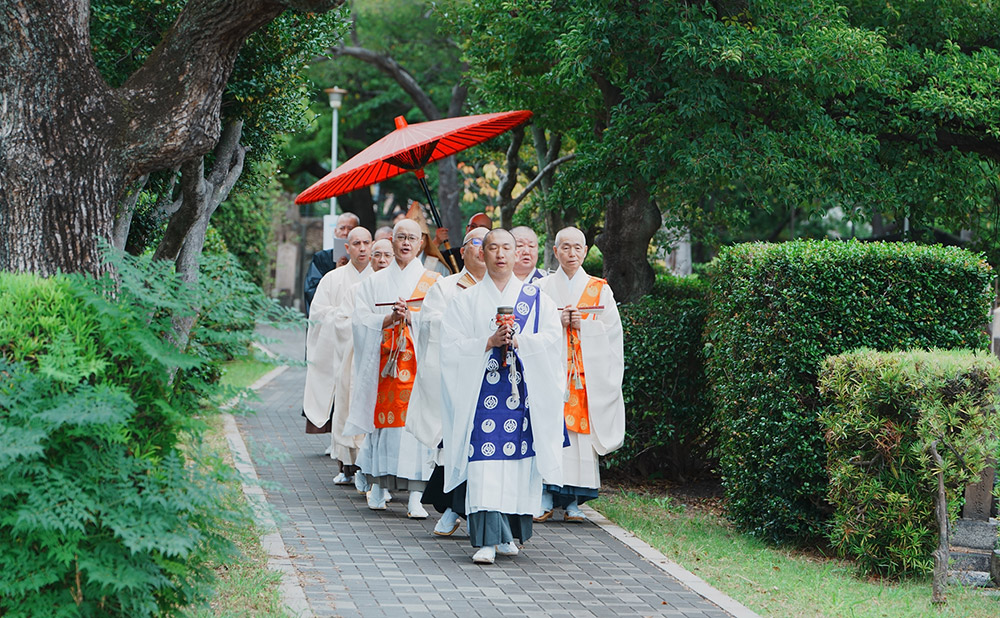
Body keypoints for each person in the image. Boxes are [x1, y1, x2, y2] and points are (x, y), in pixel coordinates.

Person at [439, 228, 564, 564]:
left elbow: (554, 342)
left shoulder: (538, 300)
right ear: (482, 253)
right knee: (484, 466)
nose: (499, 254)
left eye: (506, 247)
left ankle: (510, 533)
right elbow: (449, 348)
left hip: (522, 397)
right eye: (491, 247)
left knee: (518, 465)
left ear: (516, 252)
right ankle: (485, 540)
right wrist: (488, 341)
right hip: (481, 397)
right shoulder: (464, 301)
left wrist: (523, 342)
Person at [345, 219, 440, 517]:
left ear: (421, 243)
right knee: (384, 426)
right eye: (401, 237)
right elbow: (359, 320)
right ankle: (379, 486)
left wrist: (413, 319)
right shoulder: (374, 282)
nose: (406, 243)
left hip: (418, 368)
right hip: (384, 365)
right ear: (392, 240)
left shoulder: (433, 282)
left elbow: (441, 323)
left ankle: (415, 495)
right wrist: (385, 320)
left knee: (415, 427)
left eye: (412, 238)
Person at [535, 227, 625, 522]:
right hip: (552, 373)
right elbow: (532, 328)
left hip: (585, 376)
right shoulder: (542, 287)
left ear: (586, 251)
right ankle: (546, 495)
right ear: (556, 250)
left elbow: (612, 333)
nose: (571, 254)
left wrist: (582, 325)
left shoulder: (600, 288)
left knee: (578, 437)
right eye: (565, 248)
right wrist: (556, 321)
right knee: (550, 430)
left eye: (577, 248)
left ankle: (574, 501)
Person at [405, 226, 489, 537]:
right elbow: (430, 325)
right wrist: (465, 323)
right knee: (456, 445)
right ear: (463, 251)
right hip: (458, 379)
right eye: (476, 245)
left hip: (493, 381)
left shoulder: (506, 289)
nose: (483, 252)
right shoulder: (446, 287)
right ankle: (453, 508)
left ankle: (480, 518)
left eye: (489, 245)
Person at [301, 227, 373, 476]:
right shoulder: (333, 279)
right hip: (344, 352)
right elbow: (318, 314)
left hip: (372, 355)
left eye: (366, 243)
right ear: (347, 247)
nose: (362, 248)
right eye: (356, 243)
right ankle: (345, 465)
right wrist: (347, 319)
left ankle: (369, 467)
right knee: (344, 406)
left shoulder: (379, 278)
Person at [330, 237, 393, 493]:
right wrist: (365, 326)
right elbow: (342, 321)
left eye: (386, 256)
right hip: (360, 358)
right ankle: (355, 467)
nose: (381, 261)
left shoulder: (400, 289)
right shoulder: (357, 290)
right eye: (376, 255)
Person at [303, 212, 360, 317]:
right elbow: (312, 290)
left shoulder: (363, 259)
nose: (345, 232)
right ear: (335, 231)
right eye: (342, 228)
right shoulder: (321, 258)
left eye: (350, 229)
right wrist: (337, 272)